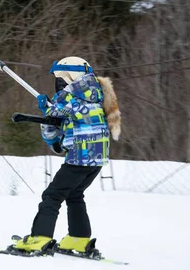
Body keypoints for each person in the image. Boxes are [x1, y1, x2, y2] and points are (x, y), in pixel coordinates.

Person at [12, 56, 121, 253]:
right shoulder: (96, 92)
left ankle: (39, 238)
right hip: (97, 157)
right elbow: (73, 116)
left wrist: (46, 106)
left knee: (52, 195)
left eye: (60, 78)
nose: (59, 83)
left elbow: (55, 112)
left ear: (71, 76)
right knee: (74, 194)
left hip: (80, 156)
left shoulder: (70, 94)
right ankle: (78, 239)